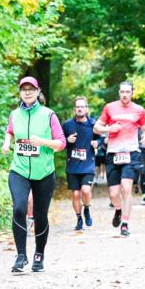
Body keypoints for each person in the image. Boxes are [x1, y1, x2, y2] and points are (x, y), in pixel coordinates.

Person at [2, 76, 66, 273]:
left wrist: (43, 142)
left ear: (38, 92)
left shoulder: (49, 115)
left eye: (31, 89)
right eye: (24, 89)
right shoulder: (15, 114)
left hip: (44, 172)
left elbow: (61, 143)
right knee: (19, 208)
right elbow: (10, 130)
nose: (27, 92)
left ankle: (39, 254)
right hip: (19, 170)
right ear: (20, 93)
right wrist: (6, 142)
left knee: (40, 215)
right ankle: (21, 256)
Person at [94, 81, 145, 237]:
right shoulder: (110, 107)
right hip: (113, 153)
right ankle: (118, 210)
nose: (125, 94)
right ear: (119, 93)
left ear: (132, 93)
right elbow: (96, 127)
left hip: (131, 153)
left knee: (126, 188)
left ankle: (125, 223)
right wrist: (109, 129)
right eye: (122, 92)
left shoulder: (139, 110)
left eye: (127, 92)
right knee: (113, 194)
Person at [62, 96, 99, 230]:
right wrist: (67, 140)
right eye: (77, 106)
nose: (80, 109)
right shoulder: (67, 125)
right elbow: (58, 142)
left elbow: (102, 140)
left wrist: (97, 143)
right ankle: (78, 218)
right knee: (76, 194)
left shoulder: (94, 124)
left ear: (87, 109)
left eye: (82, 106)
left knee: (85, 190)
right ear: (74, 109)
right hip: (72, 165)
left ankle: (87, 209)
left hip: (88, 164)